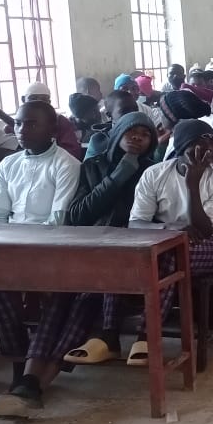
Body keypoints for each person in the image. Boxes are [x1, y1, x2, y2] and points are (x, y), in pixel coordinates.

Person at [0, 101, 81, 418]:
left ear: (52, 129)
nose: (21, 130)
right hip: (12, 245)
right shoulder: (9, 164)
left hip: (50, 249)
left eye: (31, 124)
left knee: (60, 296)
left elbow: (58, 220)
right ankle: (19, 360)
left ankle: (25, 378)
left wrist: (20, 248)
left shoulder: (65, 164)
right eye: (19, 124)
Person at [126, 119, 213, 364]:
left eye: (210, 148)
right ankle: (108, 334)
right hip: (163, 243)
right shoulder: (155, 174)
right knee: (127, 254)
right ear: (181, 149)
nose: (205, 155)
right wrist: (168, 227)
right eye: (196, 149)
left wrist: (192, 185)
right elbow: (136, 223)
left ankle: (145, 336)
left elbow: (205, 231)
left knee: (173, 255)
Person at [58, 112, 158, 364]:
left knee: (102, 279)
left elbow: (151, 218)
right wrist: (119, 175)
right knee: (77, 294)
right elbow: (78, 215)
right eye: (131, 132)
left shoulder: (153, 172)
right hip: (92, 243)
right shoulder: (93, 166)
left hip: (132, 246)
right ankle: (65, 352)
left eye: (146, 135)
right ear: (117, 134)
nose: (137, 138)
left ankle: (107, 337)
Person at [21, 82, 83, 160]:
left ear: (49, 103)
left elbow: (72, 153)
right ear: (23, 100)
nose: (39, 103)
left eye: (44, 99)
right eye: (33, 98)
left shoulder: (60, 121)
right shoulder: (19, 122)